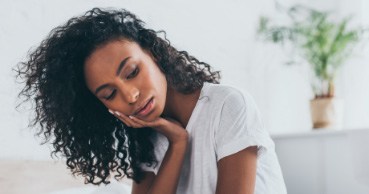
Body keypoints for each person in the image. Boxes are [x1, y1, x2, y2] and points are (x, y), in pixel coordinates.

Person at [16, 8, 287, 194]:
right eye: (110, 94)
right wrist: (177, 144)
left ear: (153, 53)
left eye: (132, 72)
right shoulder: (145, 138)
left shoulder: (228, 105)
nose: (131, 95)